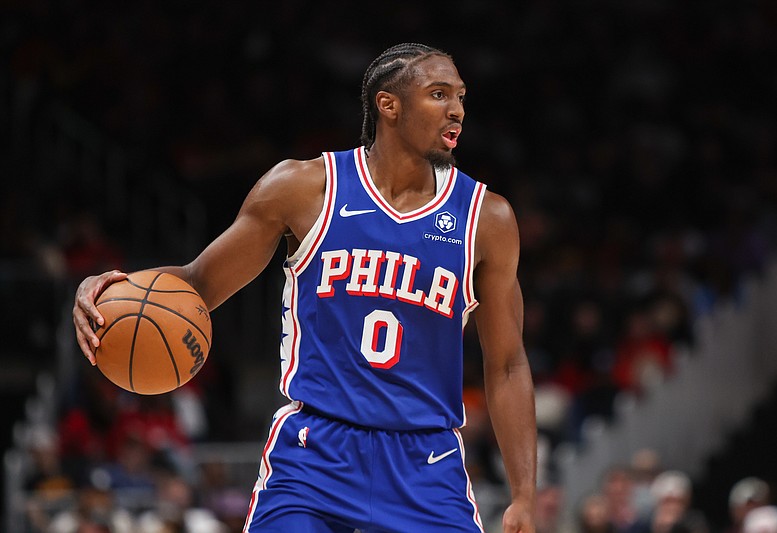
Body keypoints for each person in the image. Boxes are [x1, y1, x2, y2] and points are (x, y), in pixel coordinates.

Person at [73, 42, 537, 532]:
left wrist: (525, 493)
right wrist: (105, 288)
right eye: (439, 94)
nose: (457, 110)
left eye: (461, 96)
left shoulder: (487, 219)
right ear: (389, 105)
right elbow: (197, 284)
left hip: (425, 461)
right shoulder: (304, 188)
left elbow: (507, 364)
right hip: (315, 454)